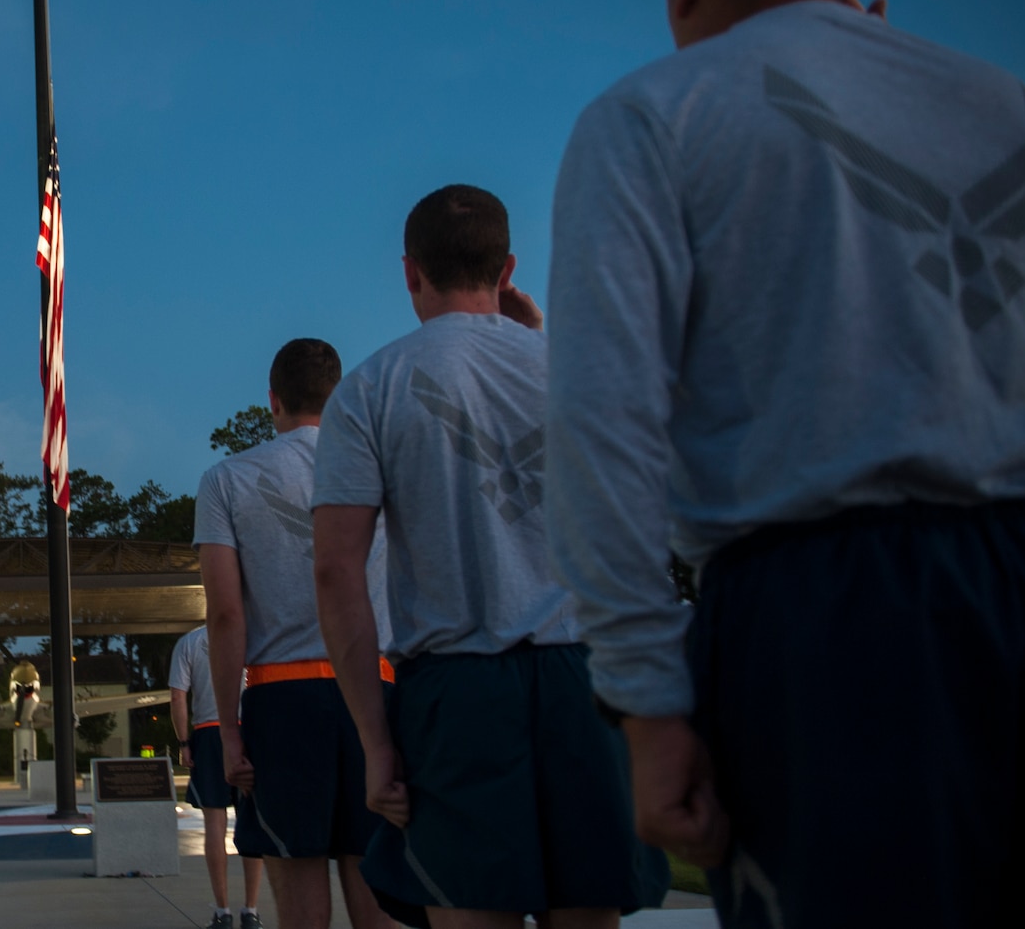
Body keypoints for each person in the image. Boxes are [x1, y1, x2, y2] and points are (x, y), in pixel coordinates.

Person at [546, 0, 1025, 928]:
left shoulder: (650, 118)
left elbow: (602, 421)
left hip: (818, 612)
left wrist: (644, 698)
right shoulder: (1000, 105)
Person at [311, 185, 666, 929]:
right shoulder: (579, 374)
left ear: (410, 272)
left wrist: (377, 743)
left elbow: (337, 571)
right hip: (586, 677)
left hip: (457, 688)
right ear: (507, 269)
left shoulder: (369, 389)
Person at [196, 338, 393, 929]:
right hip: (374, 689)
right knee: (378, 884)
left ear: (272, 400)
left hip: (282, 698)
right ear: (338, 402)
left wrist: (229, 732)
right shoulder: (379, 471)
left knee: (299, 896)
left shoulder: (227, 480)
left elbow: (227, 614)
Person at [169, 623, 265, 929]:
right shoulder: (252, 634)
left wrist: (184, 743)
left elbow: (177, 697)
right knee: (251, 822)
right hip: (248, 729)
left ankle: (222, 910)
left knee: (214, 824)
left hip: (209, 733)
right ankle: (250, 909)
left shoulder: (189, 643)